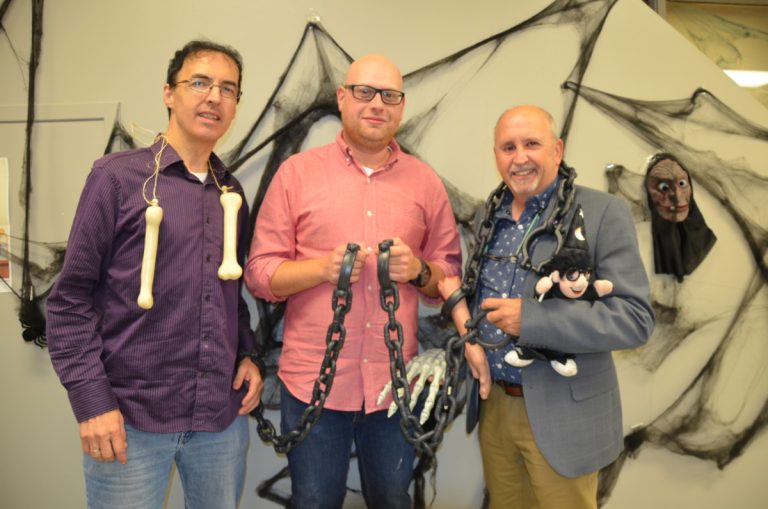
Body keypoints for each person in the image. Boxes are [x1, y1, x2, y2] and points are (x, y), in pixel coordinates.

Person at [46, 40, 264, 509]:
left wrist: (247, 352)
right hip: (129, 420)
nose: (214, 97)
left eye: (228, 89)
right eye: (199, 82)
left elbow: (228, 292)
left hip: (218, 423)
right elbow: (68, 301)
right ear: (169, 92)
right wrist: (92, 402)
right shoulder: (117, 179)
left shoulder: (232, 194)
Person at [245, 54, 461, 509]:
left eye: (389, 96)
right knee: (314, 501)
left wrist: (420, 271)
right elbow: (261, 274)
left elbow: (448, 274)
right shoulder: (296, 175)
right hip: (312, 384)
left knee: (391, 499)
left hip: (393, 385)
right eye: (364, 92)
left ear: (401, 107)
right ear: (342, 98)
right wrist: (322, 269)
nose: (376, 104)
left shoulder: (424, 183)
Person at [438, 105, 655, 509]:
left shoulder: (603, 213)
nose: (519, 157)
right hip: (496, 406)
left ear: (557, 150)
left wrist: (533, 321)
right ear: (496, 156)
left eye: (531, 144)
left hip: (563, 413)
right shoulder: (491, 215)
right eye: (508, 147)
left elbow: (635, 319)